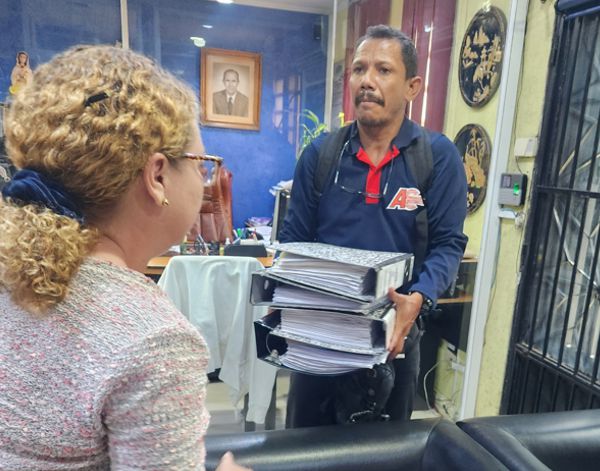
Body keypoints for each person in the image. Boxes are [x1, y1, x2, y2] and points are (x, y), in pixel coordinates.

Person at [0, 45, 249, 470]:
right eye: (199, 163)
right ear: (157, 176)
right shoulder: (151, 339)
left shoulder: (12, 278)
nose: (203, 180)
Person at [280, 25, 468, 428]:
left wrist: (419, 297)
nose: (367, 80)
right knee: (303, 448)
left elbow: (448, 244)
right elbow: (294, 242)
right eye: (359, 69)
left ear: (413, 86)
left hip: (394, 339)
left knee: (384, 453)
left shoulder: (437, 159)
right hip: (320, 342)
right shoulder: (321, 155)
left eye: (383, 70)